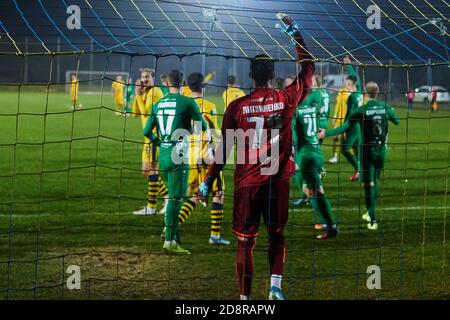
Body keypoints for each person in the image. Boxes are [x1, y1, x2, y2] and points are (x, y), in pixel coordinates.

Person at [198, 14, 315, 300]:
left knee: (244, 243)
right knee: (276, 234)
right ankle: (275, 286)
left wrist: (207, 182)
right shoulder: (287, 98)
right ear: (273, 75)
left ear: (251, 76)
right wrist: (294, 34)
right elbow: (309, 70)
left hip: (248, 184)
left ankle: (245, 299)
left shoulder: (236, 107)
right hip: (279, 181)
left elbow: (224, 149)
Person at [319, 82, 400, 230]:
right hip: (381, 150)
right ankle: (370, 215)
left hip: (367, 151)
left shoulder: (361, 110)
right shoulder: (385, 107)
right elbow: (397, 121)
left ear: (364, 94)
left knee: (368, 185)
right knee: (375, 180)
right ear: (378, 93)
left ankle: (372, 219)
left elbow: (346, 127)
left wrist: (327, 133)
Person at [144, 70, 209, 254]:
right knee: (176, 198)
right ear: (183, 84)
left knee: (176, 194)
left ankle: (174, 234)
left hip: (163, 155)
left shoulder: (157, 104)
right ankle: (169, 241)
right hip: (178, 154)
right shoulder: (187, 102)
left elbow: (147, 131)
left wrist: (160, 142)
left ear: (166, 83)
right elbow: (200, 129)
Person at [174, 72, 230, 245]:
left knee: (195, 194)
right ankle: (215, 236)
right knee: (218, 193)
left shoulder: (183, 105)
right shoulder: (210, 105)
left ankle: (172, 229)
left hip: (189, 155)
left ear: (188, 87)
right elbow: (212, 131)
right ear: (203, 87)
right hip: (206, 154)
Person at [292, 74, 338, 238]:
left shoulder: (295, 111)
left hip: (306, 155)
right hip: (316, 150)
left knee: (310, 190)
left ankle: (329, 225)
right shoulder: (313, 107)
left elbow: (295, 139)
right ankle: (329, 224)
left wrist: (296, 160)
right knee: (316, 189)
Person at [132, 68, 169, 216]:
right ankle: (167, 198)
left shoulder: (156, 92)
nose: (144, 79)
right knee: (146, 171)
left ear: (153, 78)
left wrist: (137, 94)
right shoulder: (146, 92)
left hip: (154, 136)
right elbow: (135, 113)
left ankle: (152, 206)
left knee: (152, 170)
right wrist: (138, 95)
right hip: (147, 138)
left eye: (147, 77)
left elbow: (146, 111)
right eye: (142, 77)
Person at [339, 57, 362, 181]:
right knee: (357, 150)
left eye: (347, 84)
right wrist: (348, 65)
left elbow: (348, 115)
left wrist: (344, 129)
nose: (346, 86)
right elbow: (355, 77)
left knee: (345, 149)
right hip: (361, 125)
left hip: (353, 127)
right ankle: (359, 172)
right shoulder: (359, 92)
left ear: (351, 85)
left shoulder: (351, 98)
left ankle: (358, 169)